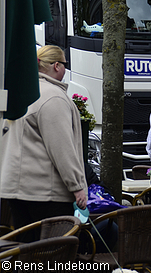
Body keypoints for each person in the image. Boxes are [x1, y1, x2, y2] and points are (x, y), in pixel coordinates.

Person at [0, 45, 87, 241]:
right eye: (65, 64)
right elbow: (62, 148)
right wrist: (77, 186)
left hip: (16, 191)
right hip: (47, 193)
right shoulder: (53, 97)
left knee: (27, 251)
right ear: (57, 66)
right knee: (54, 254)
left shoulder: (20, 94)